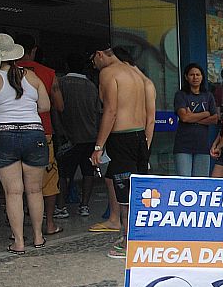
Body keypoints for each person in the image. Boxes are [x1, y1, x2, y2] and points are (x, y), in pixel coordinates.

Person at [0, 34, 50, 254]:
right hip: (34, 134)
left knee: (13, 192)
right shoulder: (33, 77)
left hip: (4, 135)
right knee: (35, 191)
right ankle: (38, 237)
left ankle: (18, 242)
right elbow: (45, 106)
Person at [90, 47, 156, 259]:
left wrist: (98, 146)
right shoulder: (139, 77)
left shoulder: (109, 73)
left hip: (122, 137)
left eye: (94, 62)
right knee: (139, 191)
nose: (95, 67)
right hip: (139, 137)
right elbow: (149, 117)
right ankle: (139, 236)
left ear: (100, 54)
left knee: (125, 193)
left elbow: (110, 110)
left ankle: (128, 240)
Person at [15, 33, 65, 235]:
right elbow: (59, 106)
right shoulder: (49, 73)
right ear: (34, 49)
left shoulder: (6, 72)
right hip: (42, 132)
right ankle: (50, 223)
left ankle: (16, 228)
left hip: (12, 132)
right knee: (48, 179)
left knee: (14, 182)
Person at [55, 52, 101, 217]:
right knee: (88, 172)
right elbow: (98, 112)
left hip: (70, 136)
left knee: (64, 173)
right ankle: (84, 206)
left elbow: (56, 110)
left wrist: (60, 132)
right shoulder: (91, 86)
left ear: (66, 66)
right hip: (90, 136)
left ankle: (61, 207)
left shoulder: (60, 83)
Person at [173, 62, 218, 177]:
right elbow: (184, 117)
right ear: (186, 77)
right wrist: (205, 113)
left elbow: (215, 119)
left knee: (201, 182)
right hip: (183, 146)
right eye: (192, 75)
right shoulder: (181, 95)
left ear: (202, 77)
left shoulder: (208, 96)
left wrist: (192, 117)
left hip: (202, 146)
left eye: (198, 74)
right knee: (184, 180)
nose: (195, 77)